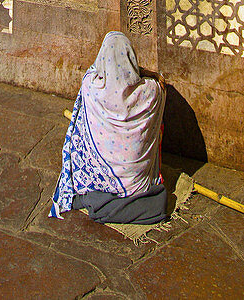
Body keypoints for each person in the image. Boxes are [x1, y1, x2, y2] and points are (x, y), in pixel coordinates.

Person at [50, 31, 167, 225]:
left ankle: (106, 193)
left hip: (101, 180)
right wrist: (148, 73)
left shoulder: (91, 86)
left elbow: (95, 68)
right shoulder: (151, 91)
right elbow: (161, 83)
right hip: (137, 183)